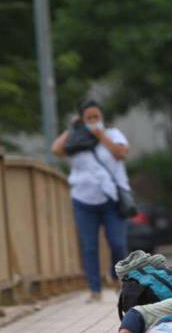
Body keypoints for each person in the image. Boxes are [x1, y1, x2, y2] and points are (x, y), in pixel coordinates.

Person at [51, 99, 132, 303]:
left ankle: (116, 279)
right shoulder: (75, 138)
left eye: (97, 117)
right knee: (89, 246)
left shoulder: (112, 134)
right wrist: (73, 127)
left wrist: (100, 135)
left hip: (111, 198)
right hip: (83, 199)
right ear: (82, 119)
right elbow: (56, 150)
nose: (94, 121)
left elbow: (121, 153)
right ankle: (95, 289)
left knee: (117, 243)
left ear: (102, 117)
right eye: (89, 118)